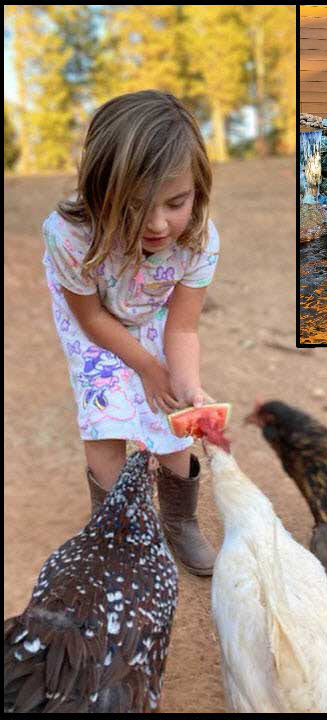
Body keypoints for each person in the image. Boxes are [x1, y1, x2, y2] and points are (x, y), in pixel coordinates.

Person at [45, 89, 221, 576]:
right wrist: (144, 366)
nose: (158, 223)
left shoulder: (199, 239)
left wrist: (182, 382)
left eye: (176, 202)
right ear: (99, 192)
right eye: (133, 206)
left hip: (153, 313)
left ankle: (179, 520)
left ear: (197, 189)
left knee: (170, 413)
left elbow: (183, 326)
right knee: (107, 414)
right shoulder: (69, 236)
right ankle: (117, 532)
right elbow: (94, 319)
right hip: (95, 321)